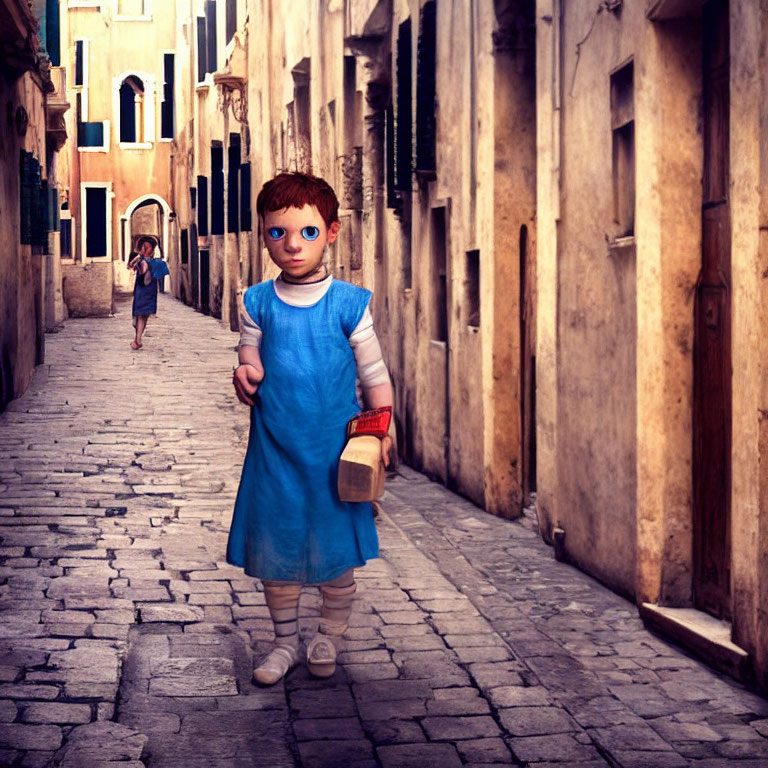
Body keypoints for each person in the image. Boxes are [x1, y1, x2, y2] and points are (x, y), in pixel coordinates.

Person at [228, 172, 393, 685]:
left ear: (332, 231)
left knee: (333, 552)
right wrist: (245, 370)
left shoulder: (349, 303)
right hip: (275, 447)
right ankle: (282, 643)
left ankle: (328, 636)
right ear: (263, 235)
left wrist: (381, 433)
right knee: (277, 550)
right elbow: (249, 351)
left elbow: (373, 374)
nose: (292, 245)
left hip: (333, 451)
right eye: (278, 233)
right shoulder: (256, 301)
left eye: (307, 232)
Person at [128, 236, 159, 350]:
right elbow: (130, 266)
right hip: (141, 290)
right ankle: (137, 339)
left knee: (142, 315)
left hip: (148, 290)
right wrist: (137, 259)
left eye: (148, 247)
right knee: (139, 316)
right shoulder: (140, 260)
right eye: (143, 247)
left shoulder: (152, 262)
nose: (145, 249)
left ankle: (137, 340)